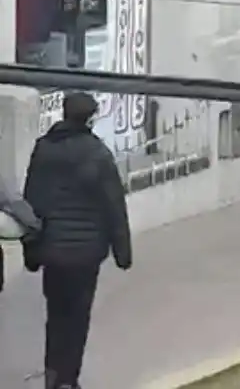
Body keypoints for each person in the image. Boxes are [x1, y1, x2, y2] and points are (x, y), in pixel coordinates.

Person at [22, 92, 132, 389]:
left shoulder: (43, 150)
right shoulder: (98, 154)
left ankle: (53, 377)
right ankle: (69, 380)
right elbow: (114, 206)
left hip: (53, 250)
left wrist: (31, 251)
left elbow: (31, 201)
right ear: (91, 118)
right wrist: (123, 252)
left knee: (55, 315)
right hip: (86, 254)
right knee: (77, 318)